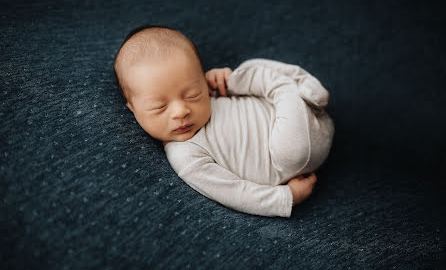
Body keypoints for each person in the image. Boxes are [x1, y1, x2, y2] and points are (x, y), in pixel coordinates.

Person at [113, 24, 335, 218]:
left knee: (247, 67)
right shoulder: (185, 156)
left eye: (192, 94)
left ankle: (303, 90)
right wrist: (286, 197)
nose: (181, 111)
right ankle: (291, 88)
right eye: (159, 107)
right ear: (133, 109)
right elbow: (235, 192)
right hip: (290, 153)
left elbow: (224, 86)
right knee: (289, 149)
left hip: (301, 116)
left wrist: (225, 82)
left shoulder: (211, 93)